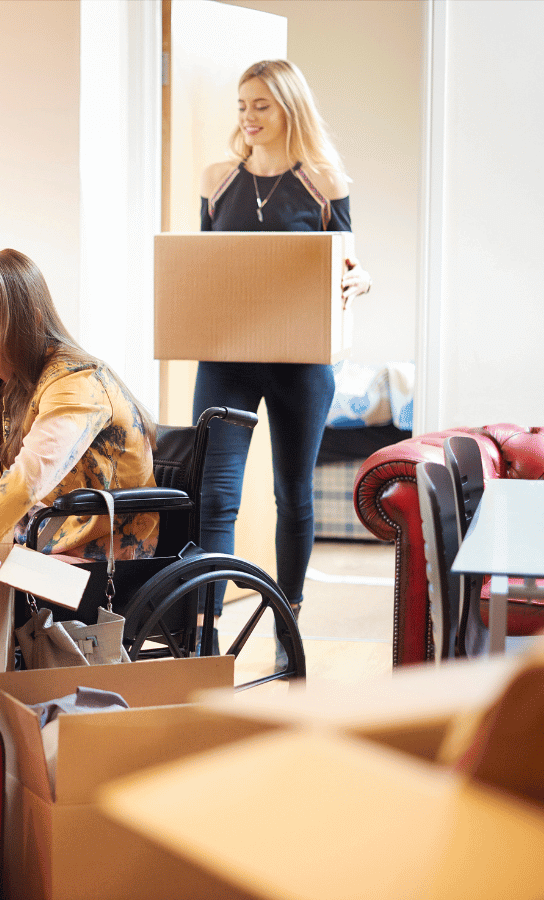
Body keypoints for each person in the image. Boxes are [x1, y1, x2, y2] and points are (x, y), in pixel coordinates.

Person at [195, 60, 373, 656]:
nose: (247, 117)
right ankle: (207, 628)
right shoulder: (218, 179)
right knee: (215, 495)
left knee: (292, 491)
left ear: (289, 107)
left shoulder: (325, 182)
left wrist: (361, 278)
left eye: (261, 106)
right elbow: (204, 269)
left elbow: (349, 263)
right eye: (242, 106)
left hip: (301, 362)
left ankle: (286, 623)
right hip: (226, 359)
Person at [0, 248, 158, 561]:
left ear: (32, 318)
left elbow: (26, 481)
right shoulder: (12, 385)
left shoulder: (76, 382)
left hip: (105, 559)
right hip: (49, 544)